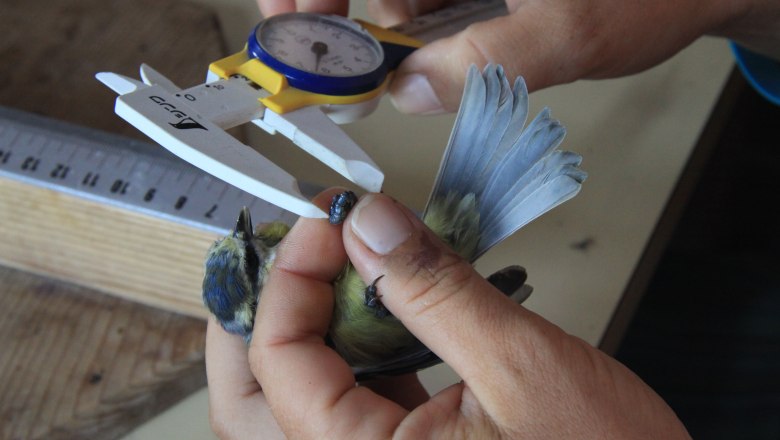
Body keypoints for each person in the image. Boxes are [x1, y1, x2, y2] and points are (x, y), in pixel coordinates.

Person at [206, 1, 780, 438]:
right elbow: (409, 355)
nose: (261, 237)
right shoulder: (311, 328)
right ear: (256, 295)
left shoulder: (294, 286)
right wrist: (392, 293)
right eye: (254, 253)